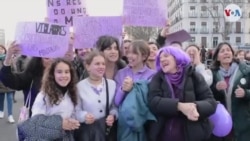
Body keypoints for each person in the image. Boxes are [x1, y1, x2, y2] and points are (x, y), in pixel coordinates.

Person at [147, 46, 217, 141]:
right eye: (160, 58)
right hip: (164, 134)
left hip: (193, 134)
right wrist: (179, 106)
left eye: (166, 56)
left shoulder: (194, 76)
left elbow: (211, 103)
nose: (162, 59)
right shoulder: (157, 78)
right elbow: (153, 102)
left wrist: (193, 107)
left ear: (177, 57)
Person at [20, 58, 80, 140]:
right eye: (59, 72)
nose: (64, 75)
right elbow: (36, 122)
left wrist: (72, 121)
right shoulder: (43, 95)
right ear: (52, 74)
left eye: (67, 72)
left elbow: (71, 113)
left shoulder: (71, 93)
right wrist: (60, 123)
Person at [210, 42, 250, 141]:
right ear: (217, 57)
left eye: (228, 50)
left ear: (232, 54)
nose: (226, 53)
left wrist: (246, 93)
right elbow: (207, 96)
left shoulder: (245, 71)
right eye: (222, 51)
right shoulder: (212, 74)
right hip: (221, 123)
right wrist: (216, 89)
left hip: (242, 123)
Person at [0, 42, 53, 117]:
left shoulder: (61, 77)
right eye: (47, 57)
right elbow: (8, 79)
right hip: (33, 122)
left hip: (57, 123)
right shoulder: (31, 76)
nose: (51, 60)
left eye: (54, 57)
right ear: (39, 59)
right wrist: (8, 57)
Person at [75, 51, 117, 141]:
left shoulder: (112, 84)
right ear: (88, 66)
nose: (101, 67)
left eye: (103, 64)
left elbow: (114, 106)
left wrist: (112, 115)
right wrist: (84, 116)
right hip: (88, 133)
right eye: (97, 64)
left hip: (105, 132)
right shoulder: (79, 86)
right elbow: (76, 110)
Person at [0, 45, 15, 123]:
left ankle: (10, 115)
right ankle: (1, 111)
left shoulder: (9, 58)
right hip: (0, 83)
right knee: (1, 99)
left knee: (10, 99)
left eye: (2, 49)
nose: (0, 50)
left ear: (4, 50)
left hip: (9, 82)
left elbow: (14, 69)